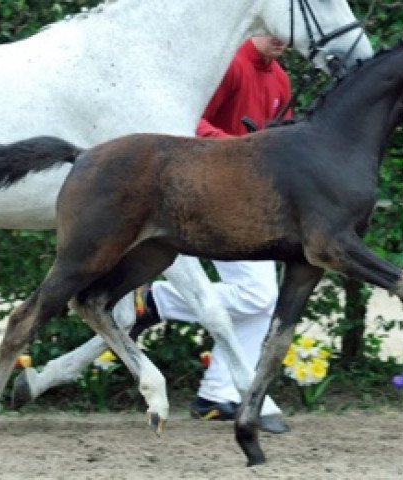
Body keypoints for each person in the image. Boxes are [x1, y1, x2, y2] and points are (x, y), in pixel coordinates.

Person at [135, 35, 292, 434]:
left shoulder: (281, 79)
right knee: (259, 295)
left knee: (262, 299)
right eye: (276, 32)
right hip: (205, 195)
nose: (283, 41)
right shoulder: (228, 64)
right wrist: (238, 151)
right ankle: (156, 301)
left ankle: (217, 393)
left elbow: (280, 141)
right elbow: (187, 120)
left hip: (249, 197)